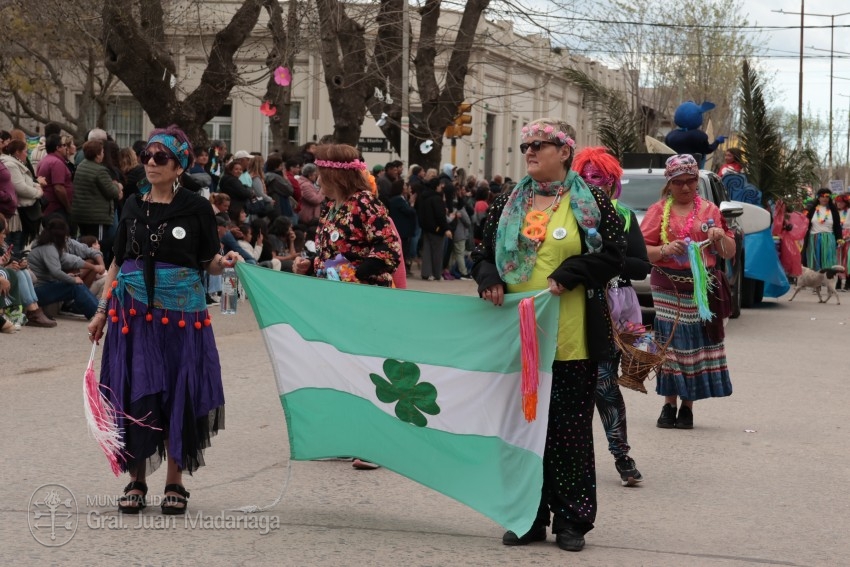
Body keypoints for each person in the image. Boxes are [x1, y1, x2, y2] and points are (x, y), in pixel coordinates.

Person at [472, 118, 625, 552]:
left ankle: (572, 519)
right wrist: (487, 277)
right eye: (525, 146)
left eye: (539, 145)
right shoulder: (507, 203)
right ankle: (528, 516)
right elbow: (481, 255)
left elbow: (613, 257)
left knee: (568, 431)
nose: (530, 152)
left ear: (564, 151)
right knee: (520, 431)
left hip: (570, 339)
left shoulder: (590, 201)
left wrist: (573, 271)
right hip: (515, 341)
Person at [87, 125, 242, 516]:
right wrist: (102, 311)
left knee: (179, 389)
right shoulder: (133, 205)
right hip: (132, 315)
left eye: (162, 158)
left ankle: (175, 480)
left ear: (179, 167)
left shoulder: (195, 207)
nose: (151, 163)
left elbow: (208, 259)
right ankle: (137, 478)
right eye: (147, 157)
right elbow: (118, 260)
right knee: (138, 389)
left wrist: (225, 266)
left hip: (181, 315)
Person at [293, 143, 401, 469]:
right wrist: (311, 265)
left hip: (365, 303)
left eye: (321, 174)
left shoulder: (366, 205)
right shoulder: (330, 207)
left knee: (366, 370)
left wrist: (352, 273)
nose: (316, 180)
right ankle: (346, 437)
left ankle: (374, 445)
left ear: (336, 174)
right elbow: (331, 255)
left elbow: (389, 252)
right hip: (336, 302)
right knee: (338, 369)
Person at [639, 154, 736, 430]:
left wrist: (720, 237)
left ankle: (687, 406)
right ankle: (668, 404)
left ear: (696, 181)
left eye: (690, 181)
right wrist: (664, 250)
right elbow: (642, 251)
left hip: (699, 286)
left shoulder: (710, 211)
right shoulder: (658, 211)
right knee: (671, 344)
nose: (684, 187)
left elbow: (729, 251)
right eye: (678, 182)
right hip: (666, 284)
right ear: (669, 184)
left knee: (692, 344)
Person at [573, 146, 650, 487]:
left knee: (604, 385)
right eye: (586, 178)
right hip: (571, 305)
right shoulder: (565, 212)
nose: (592, 185)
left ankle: (621, 454)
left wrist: (607, 259)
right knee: (568, 386)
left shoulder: (624, 215)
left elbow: (640, 265)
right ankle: (567, 459)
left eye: (599, 179)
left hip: (612, 308)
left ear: (612, 183)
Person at [27, 217, 99, 318]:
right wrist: (72, 279)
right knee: (74, 287)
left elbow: (69, 260)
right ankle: (97, 312)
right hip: (38, 290)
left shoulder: (47, 246)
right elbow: (56, 272)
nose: (67, 238)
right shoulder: (49, 248)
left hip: (41, 287)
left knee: (75, 285)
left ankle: (96, 309)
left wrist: (69, 276)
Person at [802, 188, 843, 271]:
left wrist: (839, 238)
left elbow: (837, 226)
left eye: (827, 196)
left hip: (829, 239)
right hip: (813, 239)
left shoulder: (834, 211)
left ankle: (829, 280)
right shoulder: (812, 210)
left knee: (828, 263)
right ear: (818, 197)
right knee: (814, 262)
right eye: (822, 196)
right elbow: (806, 224)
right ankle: (816, 282)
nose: (825, 198)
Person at [835, 194, 850, 291]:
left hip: (848, 236)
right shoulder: (835, 212)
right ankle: (839, 280)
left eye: (841, 202)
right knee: (838, 258)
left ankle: (848, 281)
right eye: (837, 201)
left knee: (848, 259)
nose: (839, 204)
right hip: (838, 236)